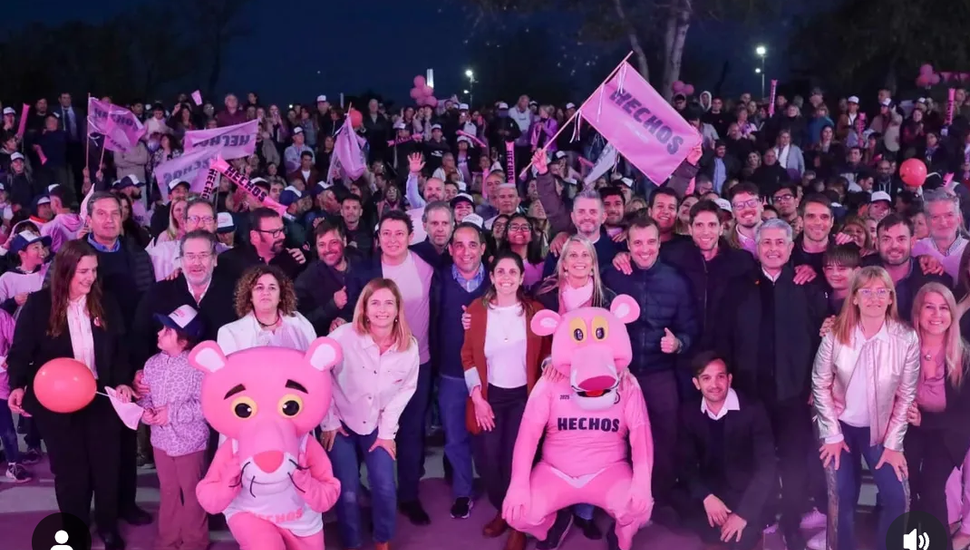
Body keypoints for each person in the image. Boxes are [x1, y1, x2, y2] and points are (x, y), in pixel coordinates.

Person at [6, 240, 136, 550]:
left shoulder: (105, 302)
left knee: (106, 467)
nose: (90, 277)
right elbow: (21, 352)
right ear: (65, 271)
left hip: (100, 398)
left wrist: (123, 382)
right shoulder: (39, 305)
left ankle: (107, 526)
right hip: (57, 402)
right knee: (69, 471)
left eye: (93, 270)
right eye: (83, 271)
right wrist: (17, 384)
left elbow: (119, 350)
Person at [713, 218, 829, 550]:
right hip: (750, 394)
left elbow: (823, 339)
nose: (773, 249)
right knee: (754, 461)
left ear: (791, 248)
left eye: (780, 243)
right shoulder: (738, 286)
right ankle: (758, 516)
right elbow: (723, 337)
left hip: (795, 395)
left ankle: (791, 522)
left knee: (794, 464)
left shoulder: (807, 285)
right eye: (767, 243)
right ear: (757, 247)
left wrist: (814, 387)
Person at [812, 266, 919, 550]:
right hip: (841, 428)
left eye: (881, 291)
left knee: (898, 496)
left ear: (890, 298)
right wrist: (832, 434)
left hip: (881, 429)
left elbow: (906, 395)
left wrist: (894, 443)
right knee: (842, 496)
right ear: (855, 298)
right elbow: (819, 383)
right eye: (866, 291)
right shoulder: (836, 333)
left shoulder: (906, 338)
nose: (874, 297)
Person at [320, 278, 420, 550]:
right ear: (363, 308)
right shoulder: (342, 337)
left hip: (378, 423)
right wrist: (328, 421)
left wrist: (387, 433)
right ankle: (352, 542)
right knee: (349, 491)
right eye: (375, 302)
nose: (382, 309)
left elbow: (405, 391)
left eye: (389, 303)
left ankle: (382, 540)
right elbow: (318, 372)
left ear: (398, 308)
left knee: (386, 487)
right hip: (341, 421)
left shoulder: (409, 347)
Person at [462, 252, 548, 550]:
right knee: (488, 461)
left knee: (519, 462)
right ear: (492, 275)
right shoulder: (477, 310)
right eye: (501, 271)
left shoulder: (536, 311)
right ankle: (503, 508)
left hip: (523, 398)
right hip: (490, 397)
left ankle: (517, 524)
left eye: (513, 272)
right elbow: (468, 357)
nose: (507, 277)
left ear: (522, 278)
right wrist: (477, 398)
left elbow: (548, 352)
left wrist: (548, 367)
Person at [673, 351, 777, 550]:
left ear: (729, 379)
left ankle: (751, 524)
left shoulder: (752, 409)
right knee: (675, 503)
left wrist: (742, 514)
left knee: (739, 539)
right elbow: (684, 463)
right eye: (706, 378)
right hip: (714, 492)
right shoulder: (689, 412)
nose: (714, 384)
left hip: (745, 491)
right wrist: (706, 497)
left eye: (720, 376)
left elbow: (767, 468)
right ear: (696, 383)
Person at [430, 222, 489, 519]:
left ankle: (497, 487)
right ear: (451, 249)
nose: (466, 252)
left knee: (489, 435)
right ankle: (463, 492)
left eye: (472, 244)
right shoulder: (438, 280)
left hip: (490, 375)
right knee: (454, 437)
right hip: (452, 372)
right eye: (460, 245)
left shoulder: (497, 280)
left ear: (483, 248)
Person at [139, 305, 209, 550]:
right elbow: (145, 396)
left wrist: (173, 413)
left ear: (184, 338)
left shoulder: (198, 366)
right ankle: (167, 539)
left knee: (191, 492)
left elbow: (208, 406)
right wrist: (146, 412)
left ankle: (195, 541)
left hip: (191, 442)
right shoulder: (152, 364)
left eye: (167, 331)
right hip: (161, 442)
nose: (159, 333)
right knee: (168, 490)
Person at [905, 284, 970, 550]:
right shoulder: (903, 346)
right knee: (907, 484)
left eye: (944, 308)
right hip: (911, 428)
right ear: (918, 312)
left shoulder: (964, 356)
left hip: (949, 431)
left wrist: (926, 421)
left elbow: (965, 415)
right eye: (929, 306)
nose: (936, 314)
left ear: (952, 314)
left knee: (932, 487)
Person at [216, 264, 316, 355]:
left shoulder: (299, 321)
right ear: (250, 296)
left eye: (272, 288)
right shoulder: (230, 333)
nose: (266, 292)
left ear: (281, 296)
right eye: (259, 288)